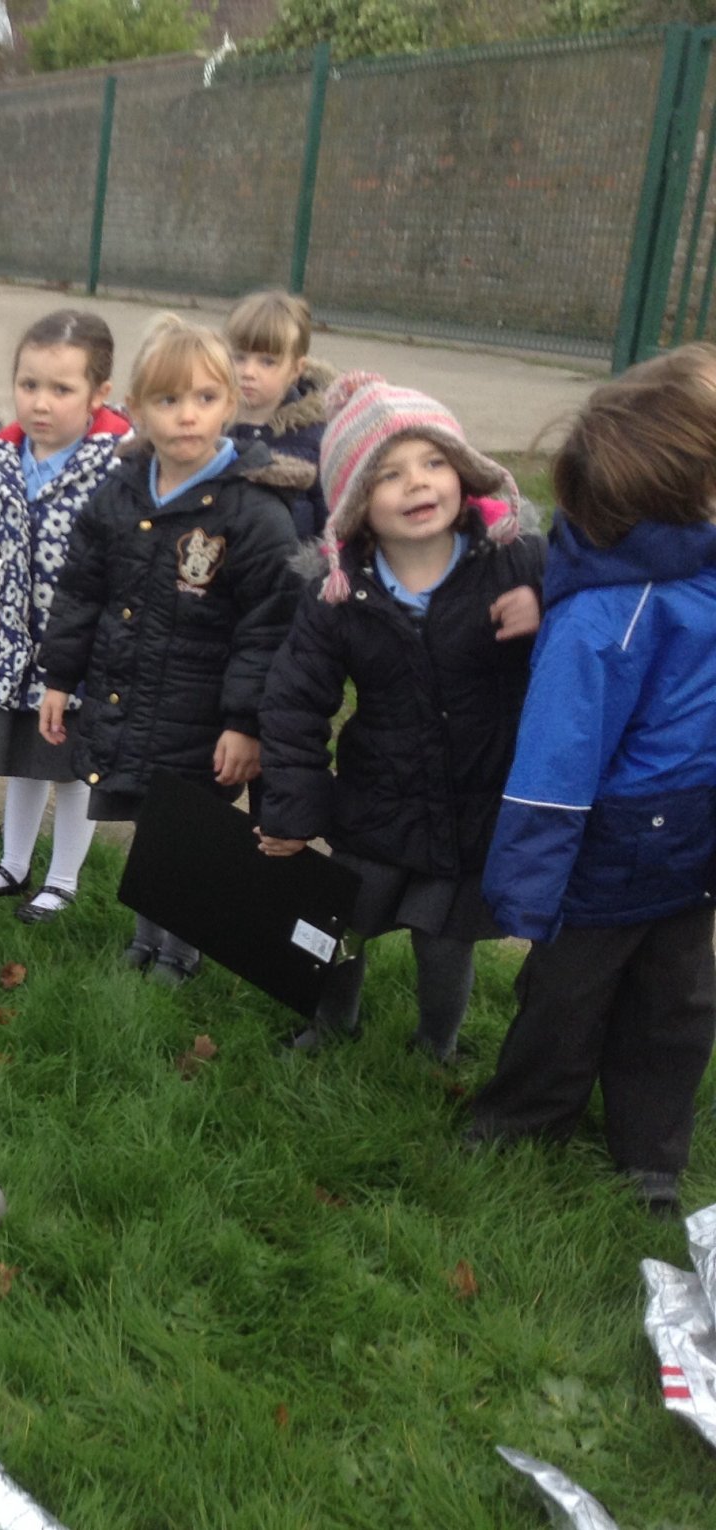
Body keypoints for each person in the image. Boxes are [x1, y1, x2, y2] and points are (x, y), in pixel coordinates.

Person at [468, 345, 716, 1217]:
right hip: (612, 843)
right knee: (566, 999)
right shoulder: (606, 616)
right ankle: (520, 1123)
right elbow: (554, 766)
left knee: (678, 1006)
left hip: (694, 844)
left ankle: (651, 1153)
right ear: (685, 492)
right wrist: (529, 889)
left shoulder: (702, 561)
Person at [256, 373, 543, 1058]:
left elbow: (593, 618)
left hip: (474, 805)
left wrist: (544, 611)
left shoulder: (519, 563)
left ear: (465, 472)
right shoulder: (338, 596)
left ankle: (436, 1045)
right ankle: (330, 1024)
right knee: (342, 925)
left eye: (434, 462)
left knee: (445, 941)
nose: (417, 484)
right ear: (356, 503)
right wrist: (293, 812)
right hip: (375, 802)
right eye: (388, 475)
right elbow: (294, 702)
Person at [37, 314, 300, 984]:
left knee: (189, 835)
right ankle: (146, 938)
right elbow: (81, 589)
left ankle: (181, 953)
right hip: (132, 695)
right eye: (169, 400)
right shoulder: (118, 495)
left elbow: (266, 631)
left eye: (205, 399)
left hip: (205, 713)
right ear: (137, 410)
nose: (188, 416)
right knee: (150, 822)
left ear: (230, 406)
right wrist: (61, 676)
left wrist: (245, 723)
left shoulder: (254, 515)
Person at [0, 312, 130, 924]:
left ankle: (62, 879)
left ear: (98, 394)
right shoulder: (1, 456)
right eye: (29, 385)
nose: (41, 402)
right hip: (11, 643)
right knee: (23, 759)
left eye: (61, 389)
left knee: (72, 766)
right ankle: (13, 862)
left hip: (80, 652)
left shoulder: (117, 466)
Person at [225, 290, 334, 541]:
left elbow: (330, 524)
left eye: (267, 361)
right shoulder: (210, 426)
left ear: (296, 369)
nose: (248, 372)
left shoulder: (316, 440)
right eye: (239, 357)